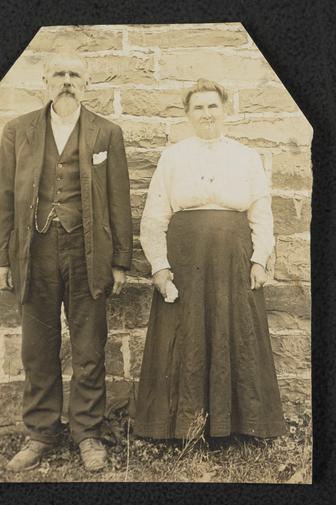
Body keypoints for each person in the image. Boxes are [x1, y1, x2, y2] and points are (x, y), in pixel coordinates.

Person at [0, 52, 132, 471]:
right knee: (37, 349)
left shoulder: (107, 133)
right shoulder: (18, 131)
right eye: (59, 74)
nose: (66, 81)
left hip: (89, 254)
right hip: (33, 253)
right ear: (46, 80)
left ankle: (88, 433)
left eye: (74, 75)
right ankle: (40, 434)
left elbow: (120, 201)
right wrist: (1, 258)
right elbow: (2, 199)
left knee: (89, 346)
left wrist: (120, 261)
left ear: (86, 84)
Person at [134, 78, 286, 442]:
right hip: (186, 261)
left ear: (225, 110)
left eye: (212, 106)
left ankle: (237, 426)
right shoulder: (173, 157)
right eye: (198, 107)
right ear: (188, 114)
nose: (206, 114)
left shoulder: (246, 156)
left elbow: (261, 214)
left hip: (233, 260)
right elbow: (155, 215)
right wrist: (159, 265)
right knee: (184, 333)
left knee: (236, 332)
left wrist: (260, 259)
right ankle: (180, 427)